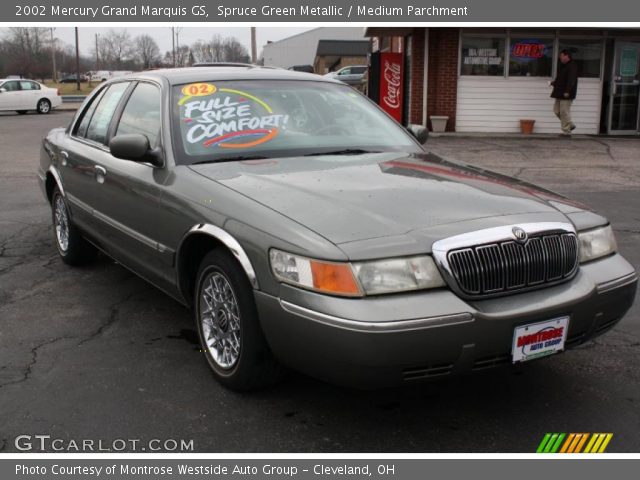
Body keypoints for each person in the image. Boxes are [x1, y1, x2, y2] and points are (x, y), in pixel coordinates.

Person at [550, 49, 578, 135]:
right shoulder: (563, 66)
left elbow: (571, 80)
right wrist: (553, 83)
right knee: (556, 111)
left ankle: (566, 131)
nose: (560, 57)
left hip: (566, 94)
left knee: (564, 112)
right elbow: (561, 79)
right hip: (559, 93)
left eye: (561, 56)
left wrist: (567, 91)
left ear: (567, 56)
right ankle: (571, 125)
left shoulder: (572, 66)